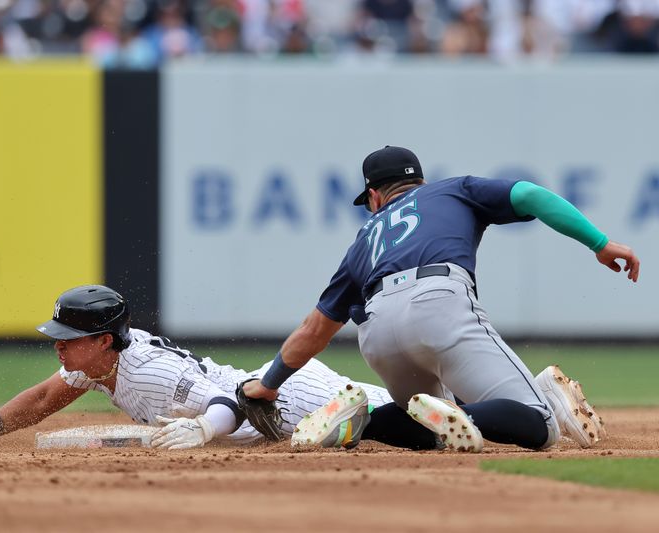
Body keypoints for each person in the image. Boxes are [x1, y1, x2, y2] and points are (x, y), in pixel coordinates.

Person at [245, 145, 638, 452]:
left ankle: (359, 422)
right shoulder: (453, 190)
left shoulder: (363, 240)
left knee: (434, 431)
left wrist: (268, 384)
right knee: (541, 423)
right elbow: (531, 194)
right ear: (417, 181)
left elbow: (314, 330)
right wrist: (600, 244)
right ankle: (458, 412)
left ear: (374, 196)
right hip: (438, 303)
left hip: (377, 330)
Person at [0, 284, 396, 449]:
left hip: (297, 398)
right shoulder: (98, 365)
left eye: (68, 339)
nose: (58, 348)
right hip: (282, 415)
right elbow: (44, 398)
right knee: (409, 422)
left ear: (104, 341)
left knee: (420, 419)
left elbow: (234, 402)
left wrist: (204, 429)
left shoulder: (147, 371)